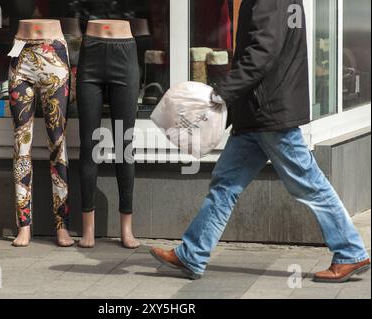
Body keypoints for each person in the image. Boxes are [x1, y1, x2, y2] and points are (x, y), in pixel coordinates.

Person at [150, 0, 370, 283]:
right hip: (257, 113)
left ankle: (351, 251)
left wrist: (223, 93)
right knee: (225, 184)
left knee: (309, 183)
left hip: (271, 112)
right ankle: (192, 254)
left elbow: (262, 54)